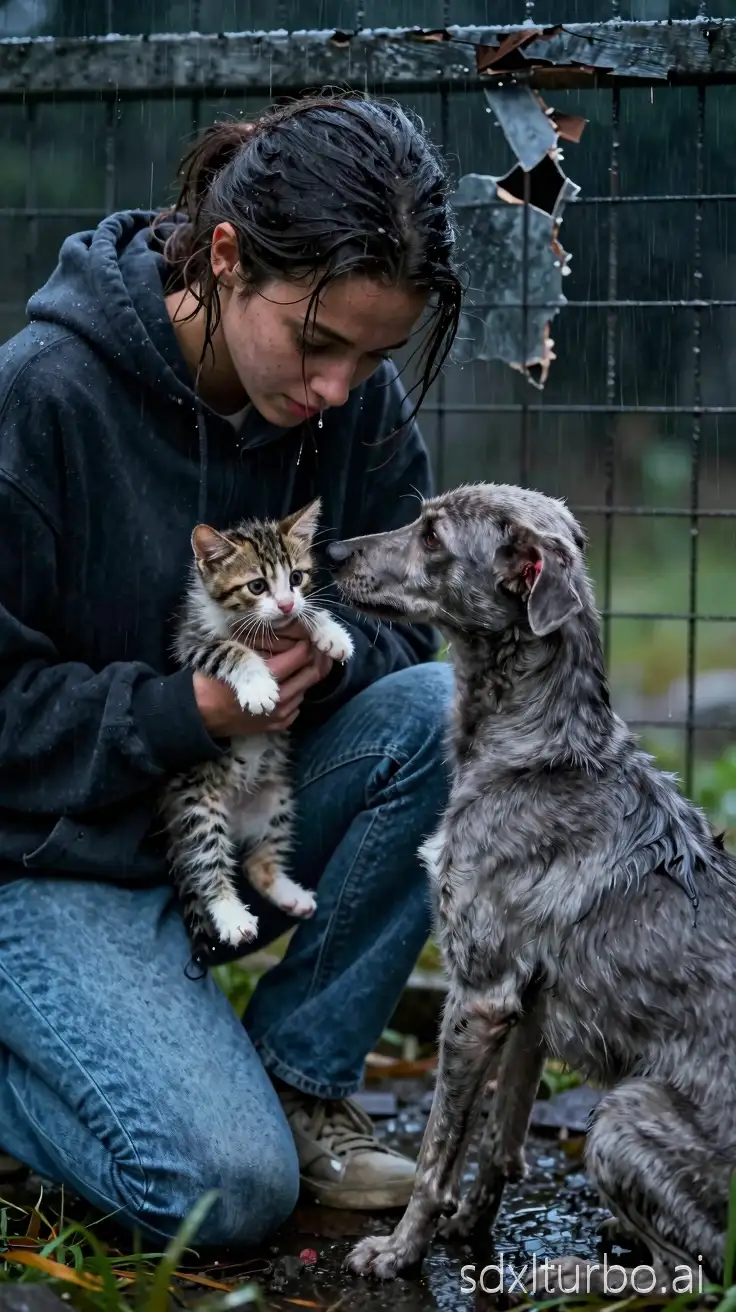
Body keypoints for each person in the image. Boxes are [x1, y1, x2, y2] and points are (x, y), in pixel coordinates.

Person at [0, 91, 461, 1247]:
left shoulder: (351, 403)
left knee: (443, 710)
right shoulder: (42, 394)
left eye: (374, 353)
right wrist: (182, 709)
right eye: (317, 342)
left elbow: (410, 622)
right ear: (225, 256)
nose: (339, 389)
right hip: (48, 857)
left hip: (226, 823)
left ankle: (298, 1078)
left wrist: (328, 656)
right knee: (223, 1195)